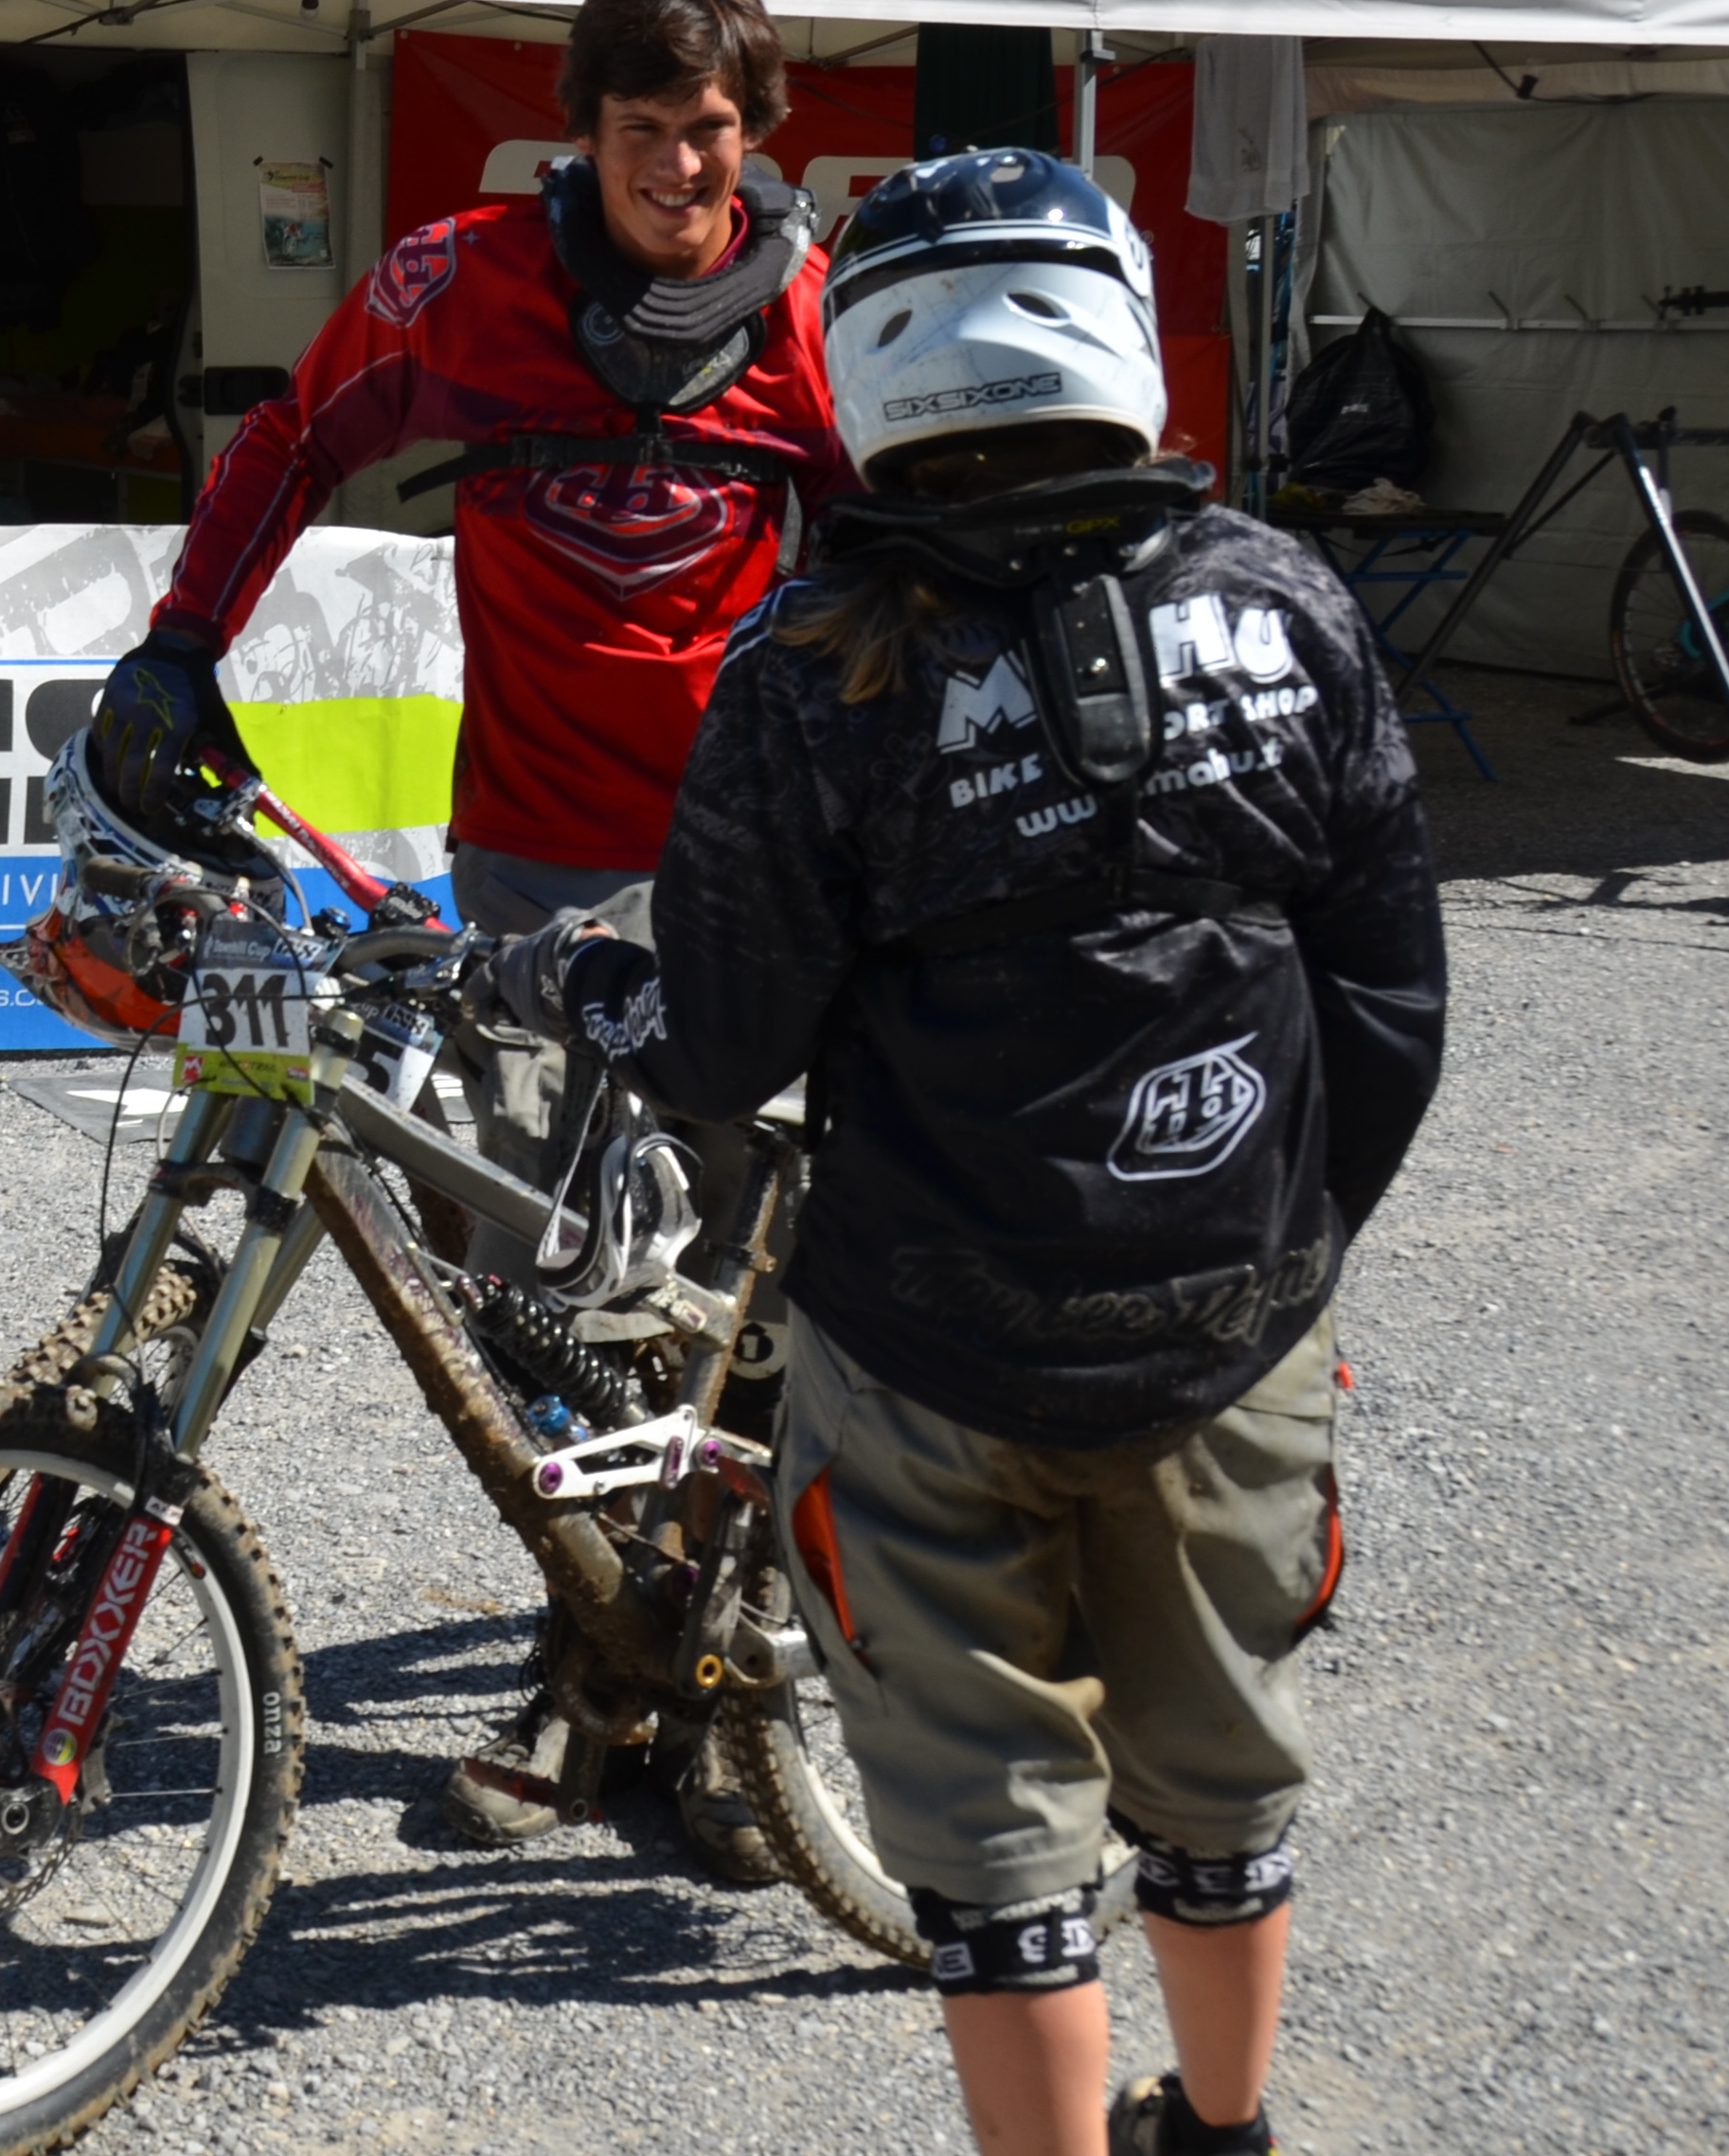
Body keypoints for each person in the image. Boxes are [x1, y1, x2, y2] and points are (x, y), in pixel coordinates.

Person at [486, 150, 1444, 2156]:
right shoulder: (1290, 608)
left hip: (923, 1344)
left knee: (992, 1846)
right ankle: (1228, 2128)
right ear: (1114, 328)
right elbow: (1385, 1003)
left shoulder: (809, 670)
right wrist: (1274, 1252)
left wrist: (582, 993)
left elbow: (726, 1040)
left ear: (866, 368)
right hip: (1231, 1329)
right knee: (1219, 1762)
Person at [83, 0, 851, 1843]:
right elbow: (288, 441)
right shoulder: (464, 284)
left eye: (719, 133)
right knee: (553, 1292)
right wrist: (183, 645)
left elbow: (922, 535)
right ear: (577, 135)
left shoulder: (810, 316)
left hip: (754, 867)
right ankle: (597, 1641)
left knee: (751, 1294)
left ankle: (720, 1706)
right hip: (531, 863)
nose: (688, 169)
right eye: (649, 130)